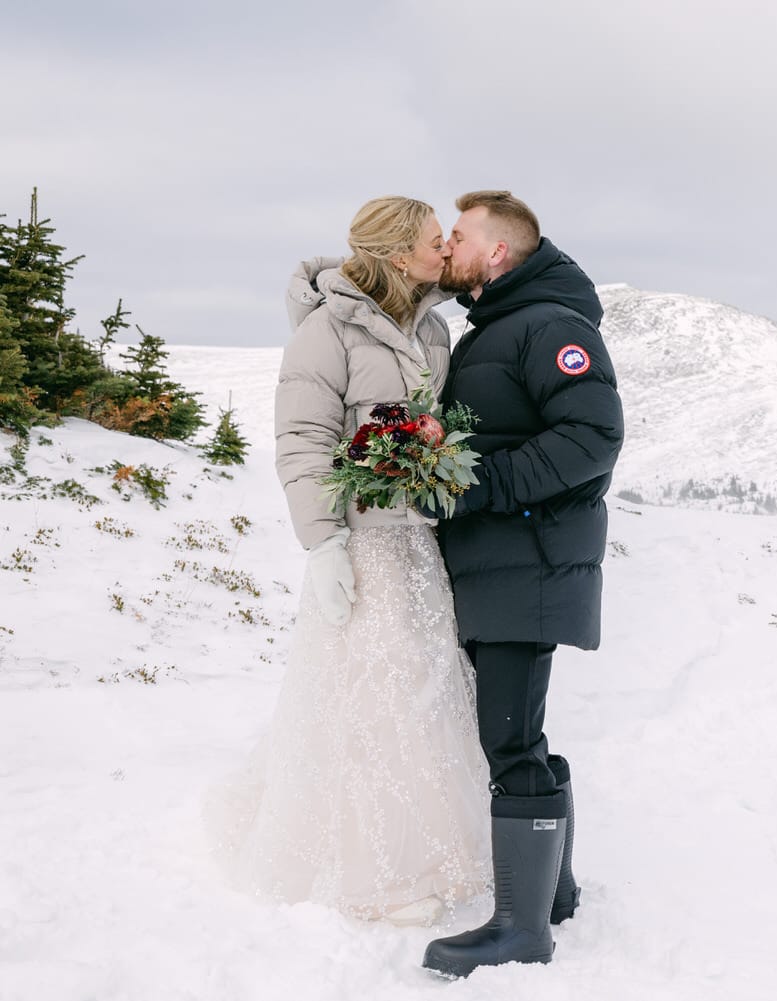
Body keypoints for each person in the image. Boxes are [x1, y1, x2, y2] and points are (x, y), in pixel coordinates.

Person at [204, 196, 490, 927]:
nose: (445, 250)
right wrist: (324, 543)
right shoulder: (325, 332)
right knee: (370, 703)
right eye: (435, 241)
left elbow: (437, 428)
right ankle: (375, 875)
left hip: (416, 544)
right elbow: (301, 441)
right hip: (360, 546)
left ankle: (431, 850)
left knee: (423, 699)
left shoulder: (430, 328)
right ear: (400, 254)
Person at [418, 191, 624, 978]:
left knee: (508, 738)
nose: (448, 247)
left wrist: (481, 485)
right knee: (517, 730)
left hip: (526, 556)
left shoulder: (552, 327)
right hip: (503, 557)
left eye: (459, 235)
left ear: (497, 251)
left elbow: (593, 435)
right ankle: (553, 896)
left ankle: (519, 928)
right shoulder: (501, 323)